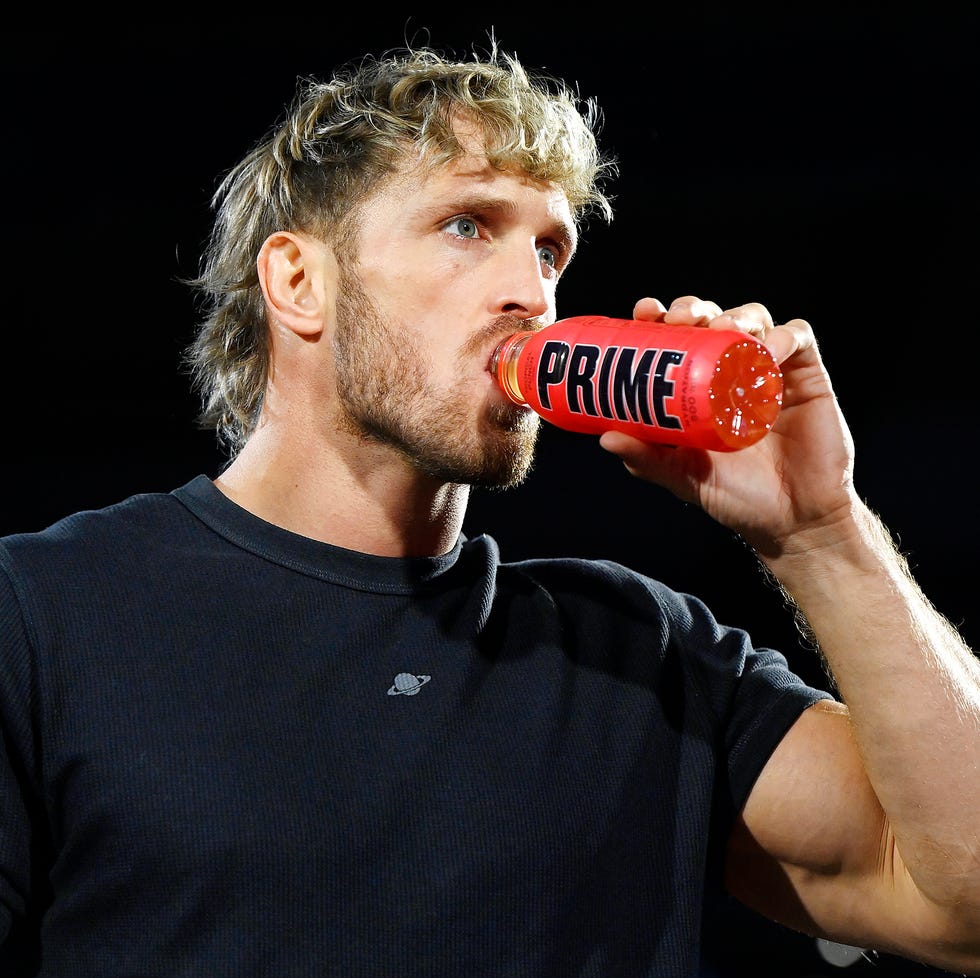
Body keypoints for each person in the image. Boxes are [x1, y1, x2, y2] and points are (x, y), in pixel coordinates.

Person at [1, 42, 978, 978]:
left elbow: (963, 906)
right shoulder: (41, 614)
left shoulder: (640, 656)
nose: (531, 294)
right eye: (466, 226)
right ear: (299, 281)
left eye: (550, 250)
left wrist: (820, 534)